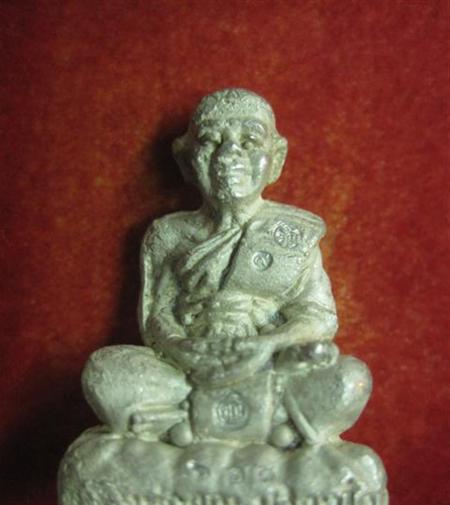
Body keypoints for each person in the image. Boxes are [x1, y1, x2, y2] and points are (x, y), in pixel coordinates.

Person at [82, 89, 371, 448]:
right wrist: (180, 346)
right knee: (105, 370)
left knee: (350, 378)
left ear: (276, 158)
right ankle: (269, 425)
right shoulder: (168, 234)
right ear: (186, 160)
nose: (228, 155)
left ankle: (186, 422)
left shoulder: (291, 235)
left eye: (249, 142)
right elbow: (156, 317)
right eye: (210, 142)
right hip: (188, 371)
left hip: (270, 367)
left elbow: (319, 318)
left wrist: (267, 344)